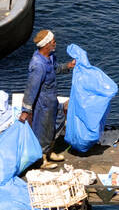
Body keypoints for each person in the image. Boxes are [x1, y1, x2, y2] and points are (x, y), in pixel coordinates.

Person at [19, 29, 76, 162]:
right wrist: (25, 111)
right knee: (43, 130)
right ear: (46, 45)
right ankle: (42, 159)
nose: (55, 43)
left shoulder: (49, 58)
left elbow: (55, 68)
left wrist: (69, 65)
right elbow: (31, 89)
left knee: (58, 120)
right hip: (42, 104)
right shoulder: (38, 65)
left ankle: (49, 150)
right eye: (53, 41)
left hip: (52, 100)